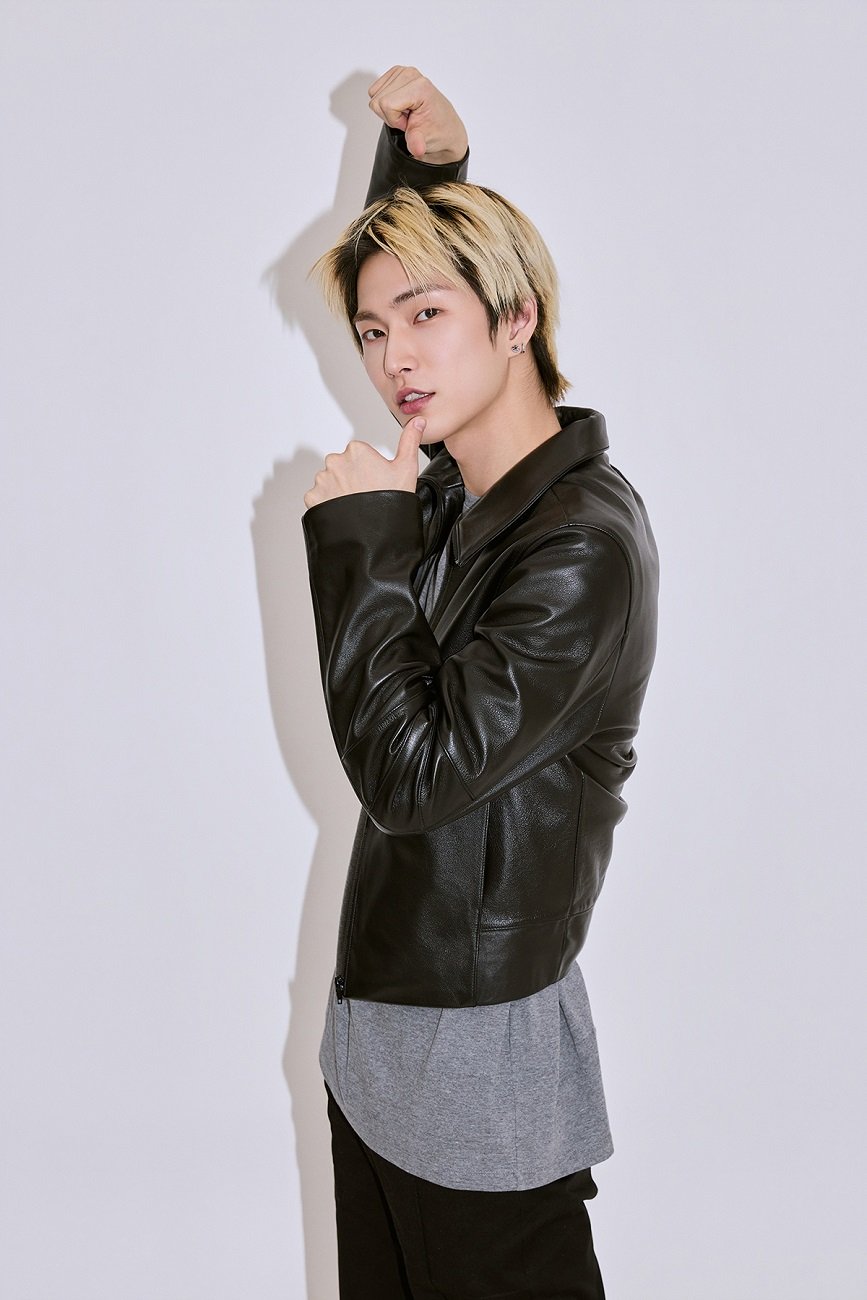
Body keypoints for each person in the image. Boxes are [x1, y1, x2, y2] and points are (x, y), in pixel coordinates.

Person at [301, 66, 658, 1299]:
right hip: (379, 1028)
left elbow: (409, 777)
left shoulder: (582, 547)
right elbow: (439, 281)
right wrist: (429, 172)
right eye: (372, 332)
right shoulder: (460, 485)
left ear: (517, 319)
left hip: (479, 1055)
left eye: (424, 317)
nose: (393, 359)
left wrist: (361, 542)